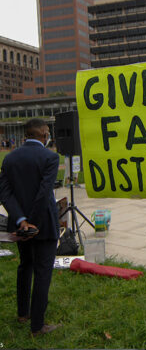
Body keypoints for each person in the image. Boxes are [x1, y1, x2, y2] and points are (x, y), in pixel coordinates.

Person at [0, 118, 61, 336]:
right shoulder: (50, 157)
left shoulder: (9, 159)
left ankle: (23, 313)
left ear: (26, 134)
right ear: (44, 134)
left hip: (19, 225)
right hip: (43, 225)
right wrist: (32, 221)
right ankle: (38, 325)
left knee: (25, 266)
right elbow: (44, 193)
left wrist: (21, 220)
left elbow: (5, 193)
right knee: (43, 272)